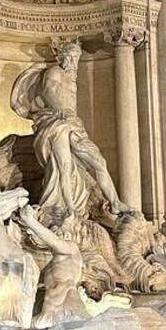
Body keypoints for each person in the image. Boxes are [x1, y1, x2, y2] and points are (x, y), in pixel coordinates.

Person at [10, 41, 131, 223]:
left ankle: (115, 202)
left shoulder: (71, 77)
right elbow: (48, 91)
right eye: (71, 57)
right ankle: (69, 208)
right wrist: (58, 108)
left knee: (99, 162)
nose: (73, 61)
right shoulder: (54, 71)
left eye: (76, 57)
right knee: (63, 166)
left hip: (74, 123)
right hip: (56, 121)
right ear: (63, 57)